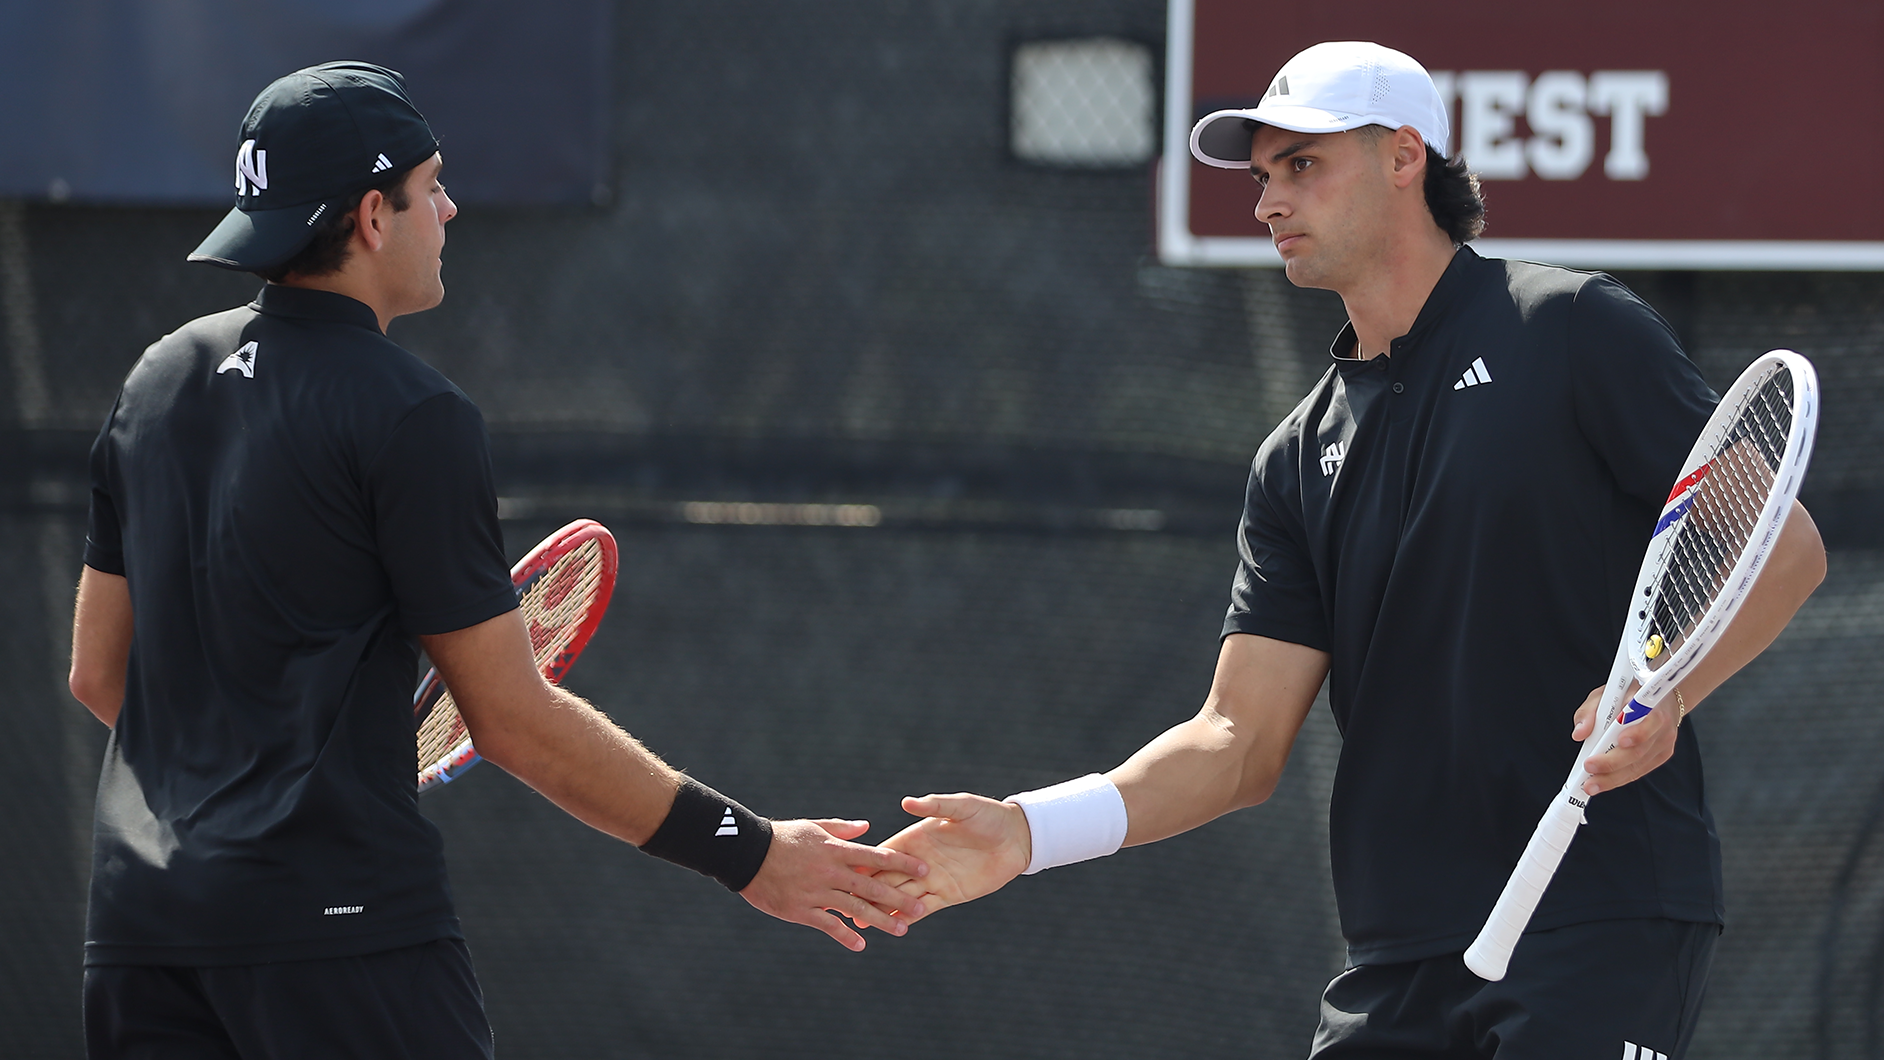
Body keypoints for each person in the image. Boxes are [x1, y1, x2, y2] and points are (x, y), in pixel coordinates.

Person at [873, 41, 1825, 1059]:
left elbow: (1784, 548)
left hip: (1601, 914)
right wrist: (1026, 832)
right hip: (1398, 956)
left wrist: (1668, 693)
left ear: (1405, 155)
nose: (1269, 202)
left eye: (1304, 165)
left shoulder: (1569, 326)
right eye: (1263, 176)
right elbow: (1236, 742)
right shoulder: (1292, 461)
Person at [68, 61, 926, 1059]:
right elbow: (516, 723)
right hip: (342, 935)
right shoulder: (412, 414)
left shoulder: (157, 381)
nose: (451, 208)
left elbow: (99, 673)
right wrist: (751, 851)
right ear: (371, 218)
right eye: (431, 187)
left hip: (140, 934)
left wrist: (260, 765)